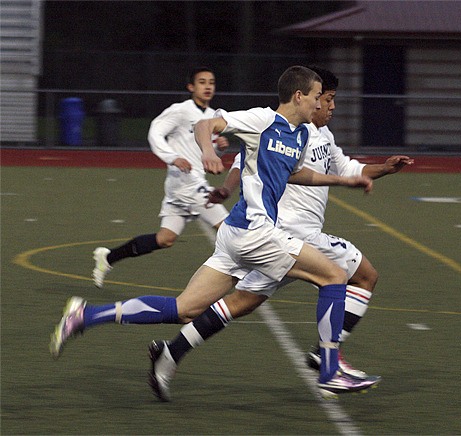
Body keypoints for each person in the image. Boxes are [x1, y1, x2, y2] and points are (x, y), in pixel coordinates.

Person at [50, 65, 379, 399]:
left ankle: (86, 315)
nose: (320, 105)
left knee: (184, 309)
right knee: (334, 276)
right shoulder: (261, 120)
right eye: (315, 97)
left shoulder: (301, 134)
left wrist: (346, 180)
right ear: (298, 96)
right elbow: (206, 124)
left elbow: (298, 174)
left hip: (236, 234)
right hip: (256, 233)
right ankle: (329, 370)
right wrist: (208, 150)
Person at [148, 66, 413, 401]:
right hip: (286, 233)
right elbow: (245, 160)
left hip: (281, 237)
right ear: (306, 98)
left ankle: (171, 354)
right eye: (325, 99)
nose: (328, 107)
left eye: (330, 100)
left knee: (239, 303)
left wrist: (384, 168)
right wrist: (227, 184)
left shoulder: (320, 137)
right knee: (361, 275)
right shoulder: (277, 128)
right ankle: (327, 357)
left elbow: (347, 167)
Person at [92, 66, 230, 288]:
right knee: (228, 228)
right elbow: (155, 131)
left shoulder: (213, 116)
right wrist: (172, 157)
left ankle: (108, 257)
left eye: (211, 82)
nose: (207, 86)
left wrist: (220, 148)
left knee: (165, 239)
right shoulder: (181, 110)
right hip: (185, 182)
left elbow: (204, 152)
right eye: (202, 82)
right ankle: (249, 280)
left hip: (187, 183)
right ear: (191, 87)